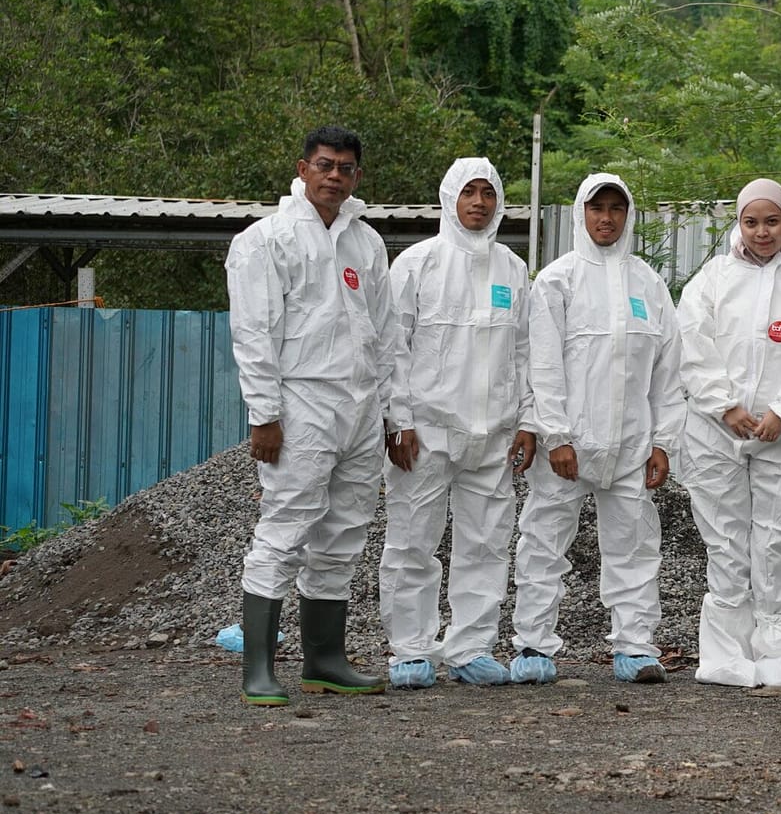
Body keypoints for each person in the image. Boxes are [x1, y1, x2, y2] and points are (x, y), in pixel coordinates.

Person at [225, 125, 396, 705]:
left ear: (357, 177)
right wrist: (264, 414)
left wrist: (390, 415)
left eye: (346, 168)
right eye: (325, 165)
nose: (335, 176)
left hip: (360, 406)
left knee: (344, 533)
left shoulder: (367, 244)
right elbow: (254, 334)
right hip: (300, 404)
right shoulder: (265, 240)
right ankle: (258, 668)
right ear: (302, 169)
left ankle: (325, 658)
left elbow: (386, 338)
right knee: (285, 527)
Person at [509, 173, 685, 686]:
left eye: (616, 208)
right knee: (544, 542)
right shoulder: (558, 280)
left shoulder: (647, 284)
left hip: (632, 445)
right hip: (570, 448)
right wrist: (557, 436)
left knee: (634, 546)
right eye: (596, 208)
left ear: (628, 215)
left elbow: (667, 370)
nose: (606, 218)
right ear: (580, 214)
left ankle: (634, 647)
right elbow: (543, 364)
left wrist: (662, 442)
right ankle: (534, 644)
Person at [675, 178, 781, 689]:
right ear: (738, 224)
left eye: (772, 221)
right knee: (725, 540)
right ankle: (725, 652)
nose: (762, 232)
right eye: (751, 221)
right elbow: (690, 343)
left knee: (778, 540)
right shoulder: (712, 279)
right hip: (715, 431)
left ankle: (776, 650)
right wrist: (726, 406)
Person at [378, 157, 536, 689]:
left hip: (492, 436)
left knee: (487, 545)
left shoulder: (513, 270)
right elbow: (391, 348)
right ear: (449, 197)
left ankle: (471, 647)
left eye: (488, 193)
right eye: (468, 192)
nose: (479, 202)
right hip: (426, 434)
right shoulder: (417, 264)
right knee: (412, 541)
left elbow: (525, 354)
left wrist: (528, 422)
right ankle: (410, 649)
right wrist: (397, 420)